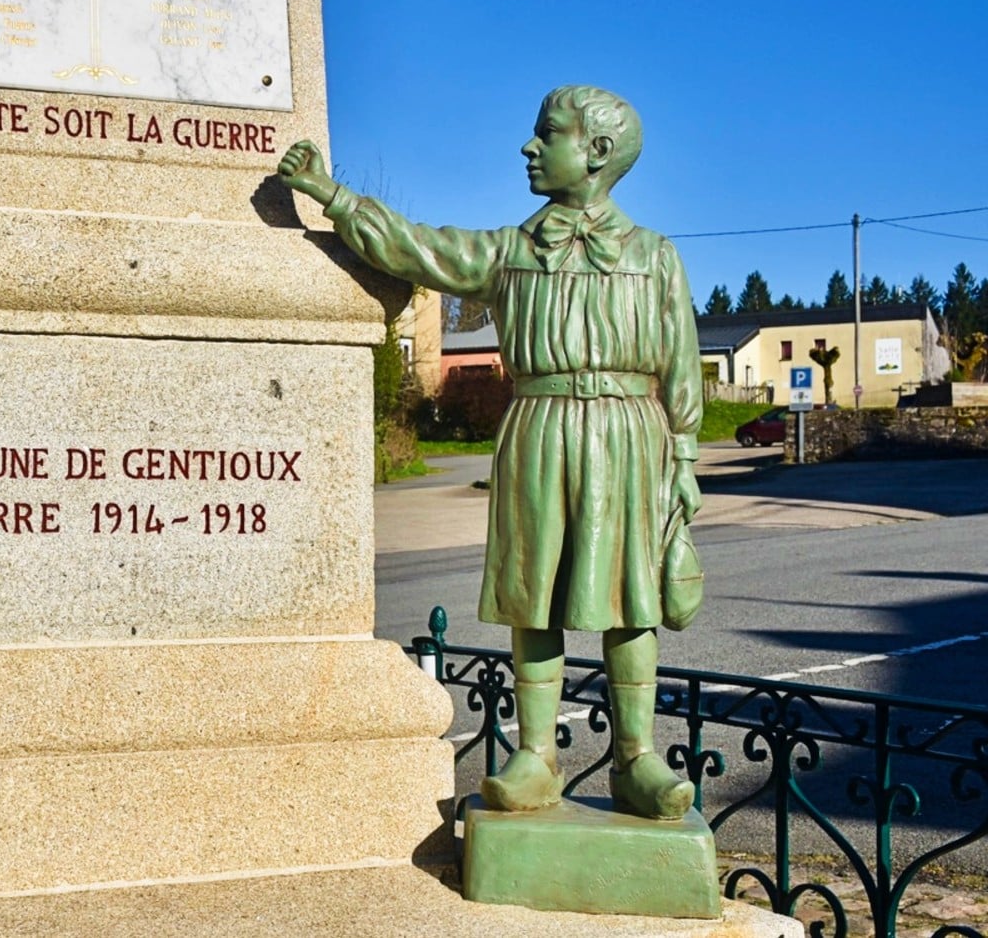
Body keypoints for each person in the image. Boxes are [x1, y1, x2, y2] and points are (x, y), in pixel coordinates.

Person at [278, 86, 703, 820]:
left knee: (632, 599)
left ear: (597, 153)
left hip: (632, 434)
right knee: (532, 594)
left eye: (548, 134)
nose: (529, 146)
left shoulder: (655, 256)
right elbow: (421, 248)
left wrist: (686, 457)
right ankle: (536, 756)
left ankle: (637, 758)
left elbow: (682, 360)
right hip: (539, 428)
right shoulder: (509, 252)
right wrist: (335, 198)